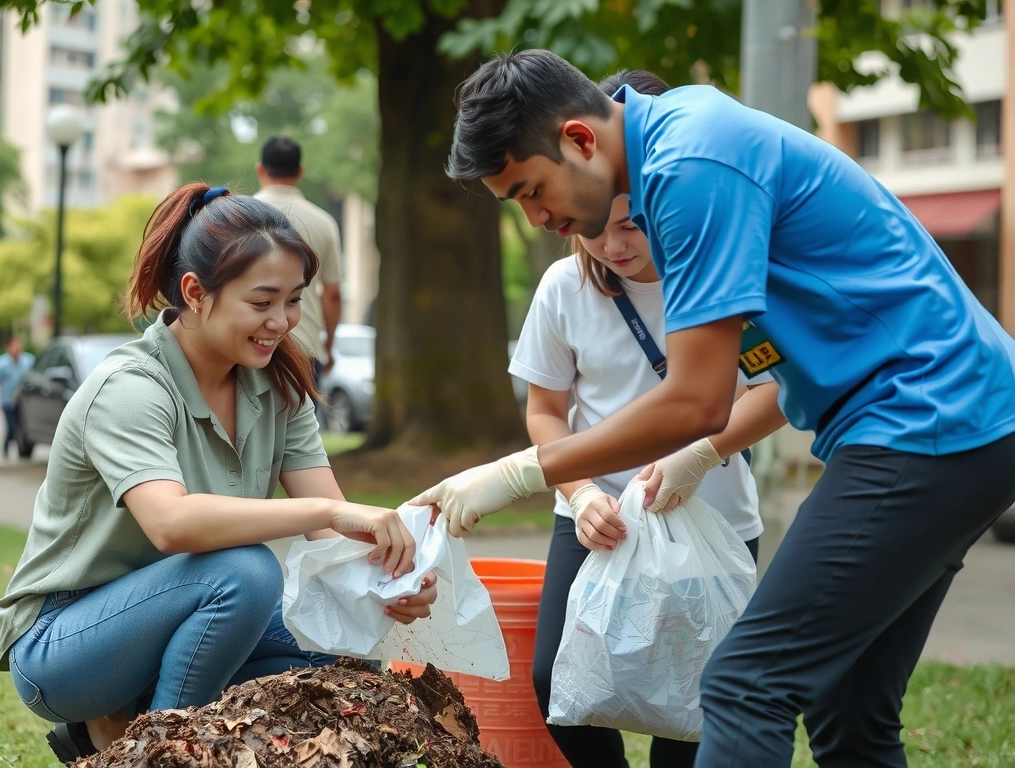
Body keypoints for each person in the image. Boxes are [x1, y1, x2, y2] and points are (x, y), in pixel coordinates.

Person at [412, 50, 1015, 768]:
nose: (541, 219)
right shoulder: (677, 147)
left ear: (579, 139)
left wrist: (521, 473)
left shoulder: (687, 166)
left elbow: (697, 401)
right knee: (847, 708)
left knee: (741, 685)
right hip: (945, 417)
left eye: (530, 191)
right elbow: (751, 366)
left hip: (927, 417)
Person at [0, 183, 434, 764]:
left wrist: (390, 581)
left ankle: (135, 723)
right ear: (196, 293)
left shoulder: (281, 383)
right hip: (66, 643)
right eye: (262, 301)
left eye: (295, 300)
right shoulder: (129, 387)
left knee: (342, 650)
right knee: (247, 572)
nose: (282, 321)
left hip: (187, 611)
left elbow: (334, 534)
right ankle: (155, 753)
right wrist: (331, 512)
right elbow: (172, 525)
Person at [514, 70, 785, 760]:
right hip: (596, 518)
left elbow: (777, 390)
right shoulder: (564, 288)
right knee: (557, 683)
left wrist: (698, 455)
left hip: (712, 514)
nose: (617, 243)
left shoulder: (718, 265)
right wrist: (577, 493)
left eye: (634, 223)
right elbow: (545, 410)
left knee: (691, 705)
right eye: (602, 227)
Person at [255, 136, 343, 382]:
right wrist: (329, 345)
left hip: (250, 340)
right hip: (305, 346)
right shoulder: (324, 222)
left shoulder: (238, 216)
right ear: (300, 171)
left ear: (260, 169)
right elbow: (332, 293)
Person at [0, 335, 35, 459]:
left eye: (18, 346)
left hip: (23, 402)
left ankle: (12, 450)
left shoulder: (28, 360)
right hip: (7, 401)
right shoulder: (1, 363)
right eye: (14, 346)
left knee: (19, 426)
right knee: (12, 426)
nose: (17, 349)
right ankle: (15, 450)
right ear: (8, 348)